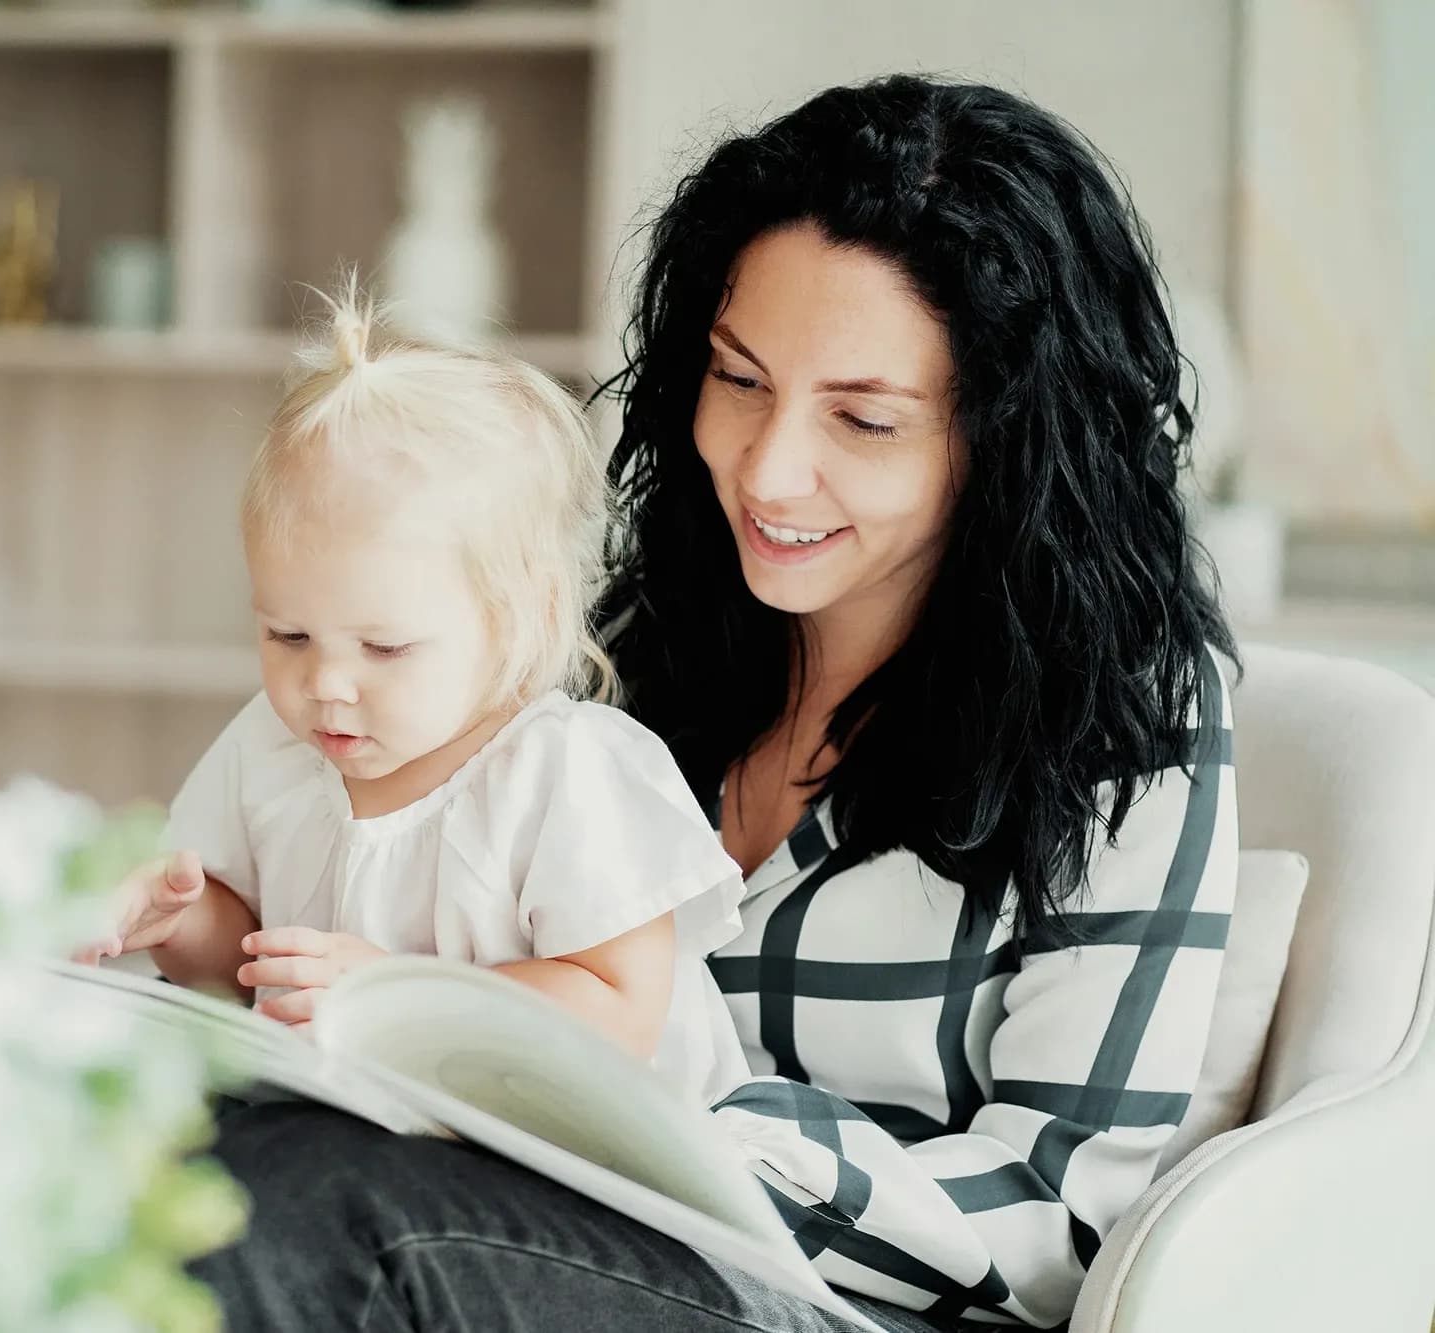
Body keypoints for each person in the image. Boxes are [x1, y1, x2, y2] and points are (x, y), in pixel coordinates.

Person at [185, 74, 1240, 1332]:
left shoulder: (1123, 720)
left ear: (1005, 439)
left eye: (861, 417)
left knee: (314, 1210)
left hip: (819, 1299)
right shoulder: (622, 643)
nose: (766, 465)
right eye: (739, 381)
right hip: (499, 1202)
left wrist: (688, 1134)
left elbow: (1064, 1217)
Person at [86, 282, 752, 1105]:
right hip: (385, 1135)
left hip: (603, 1173)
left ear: (520, 619)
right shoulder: (274, 747)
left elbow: (620, 1013)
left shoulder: (566, 773)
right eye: (287, 635)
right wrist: (176, 919)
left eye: (385, 647)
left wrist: (398, 996)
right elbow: (254, 968)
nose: (324, 683)